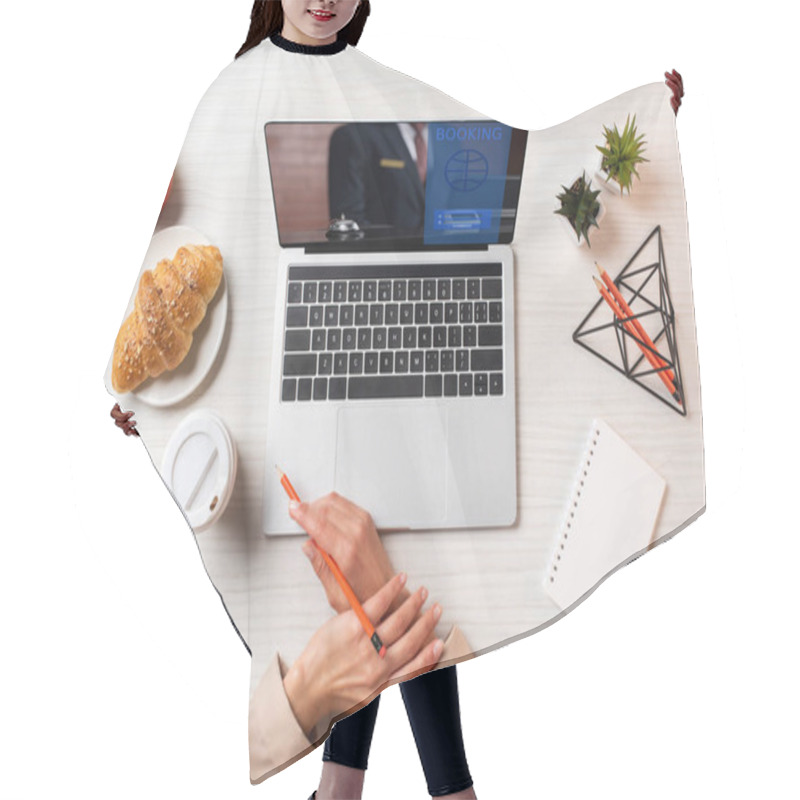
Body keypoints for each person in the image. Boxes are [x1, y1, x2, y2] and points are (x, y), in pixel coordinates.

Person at [237, 4, 478, 798]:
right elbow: (195, 231)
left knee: (394, 556)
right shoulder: (237, 90)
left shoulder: (379, 89)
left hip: (382, 339)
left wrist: (633, 124)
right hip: (277, 359)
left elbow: (492, 159)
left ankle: (344, 786)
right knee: (363, 566)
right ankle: (429, 788)